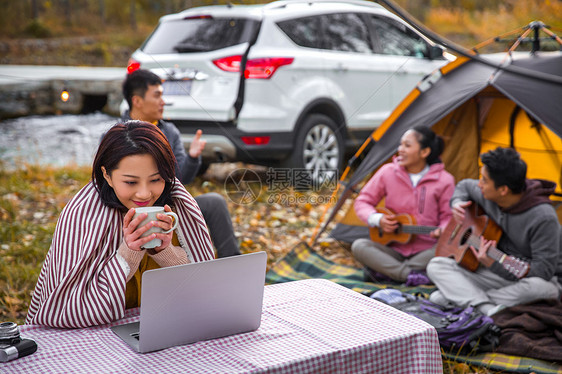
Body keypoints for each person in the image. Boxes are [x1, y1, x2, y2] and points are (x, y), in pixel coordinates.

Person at [26, 121, 215, 328]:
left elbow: (202, 289)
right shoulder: (82, 215)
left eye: (156, 179)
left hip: (163, 326)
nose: (145, 194)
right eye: (131, 182)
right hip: (93, 338)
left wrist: (165, 251)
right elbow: (64, 310)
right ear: (107, 175)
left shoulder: (177, 206)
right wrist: (128, 255)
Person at [427, 147, 562, 316]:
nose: (479, 184)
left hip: (528, 280)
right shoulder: (488, 193)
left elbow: (542, 271)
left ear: (503, 190)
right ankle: (487, 309)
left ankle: (466, 300)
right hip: (494, 276)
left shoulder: (543, 218)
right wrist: (457, 202)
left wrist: (495, 264)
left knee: (543, 289)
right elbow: (465, 186)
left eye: (484, 180)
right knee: (437, 265)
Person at [122, 69, 240, 258]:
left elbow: (180, 179)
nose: (163, 101)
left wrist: (192, 158)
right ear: (137, 100)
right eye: (157, 95)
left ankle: (235, 266)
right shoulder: (116, 135)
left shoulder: (169, 131)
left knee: (215, 202)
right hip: (129, 211)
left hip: (170, 207)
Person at [351, 126, 455, 285]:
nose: (400, 149)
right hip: (393, 250)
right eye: (401, 144)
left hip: (426, 252)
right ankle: (409, 276)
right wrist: (378, 219)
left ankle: (389, 273)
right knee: (359, 246)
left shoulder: (445, 180)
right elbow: (362, 201)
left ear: (424, 152)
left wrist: (442, 228)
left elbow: (448, 216)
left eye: (407, 145)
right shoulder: (387, 172)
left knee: (450, 249)